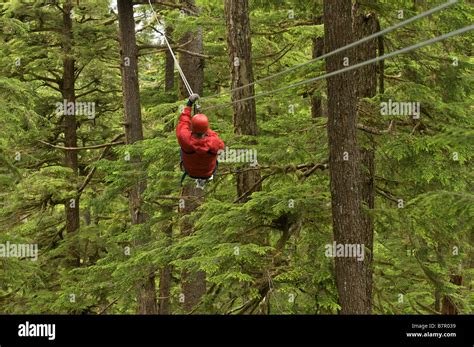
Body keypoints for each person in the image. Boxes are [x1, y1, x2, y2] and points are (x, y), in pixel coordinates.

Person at [176, 93, 224, 185]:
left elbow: (183, 122)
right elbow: (219, 145)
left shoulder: (185, 139)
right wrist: (205, 128)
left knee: (183, 148)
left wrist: (189, 104)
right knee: (215, 153)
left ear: (192, 127)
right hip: (208, 171)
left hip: (190, 170)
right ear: (206, 129)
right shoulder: (214, 142)